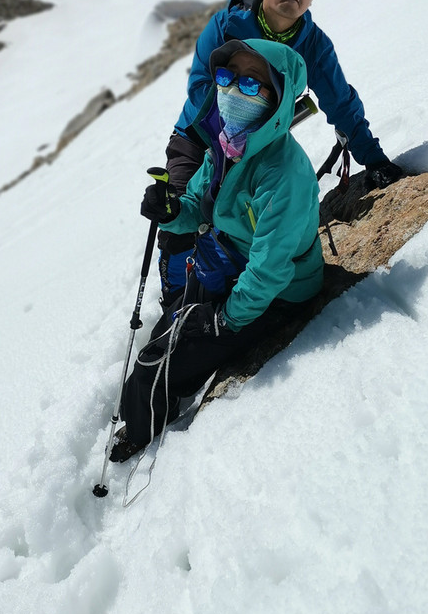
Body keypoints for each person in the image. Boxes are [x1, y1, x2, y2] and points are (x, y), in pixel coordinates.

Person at [110, 38, 323, 462]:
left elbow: (269, 271)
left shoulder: (283, 174)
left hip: (276, 295)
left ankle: (139, 432)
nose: (232, 90)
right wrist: (171, 211)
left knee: (159, 361)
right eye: (227, 77)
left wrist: (223, 320)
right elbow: (197, 205)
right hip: (233, 264)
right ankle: (146, 406)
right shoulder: (228, 146)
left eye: (251, 82)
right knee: (166, 333)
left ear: (279, 97)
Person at [155, 0, 403, 305]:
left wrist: (374, 159)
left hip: (253, 150)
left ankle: (232, 298)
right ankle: (175, 305)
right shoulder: (226, 25)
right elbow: (199, 90)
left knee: (244, 229)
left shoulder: (313, 45)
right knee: (178, 227)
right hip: (197, 140)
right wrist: (236, 128)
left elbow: (340, 102)